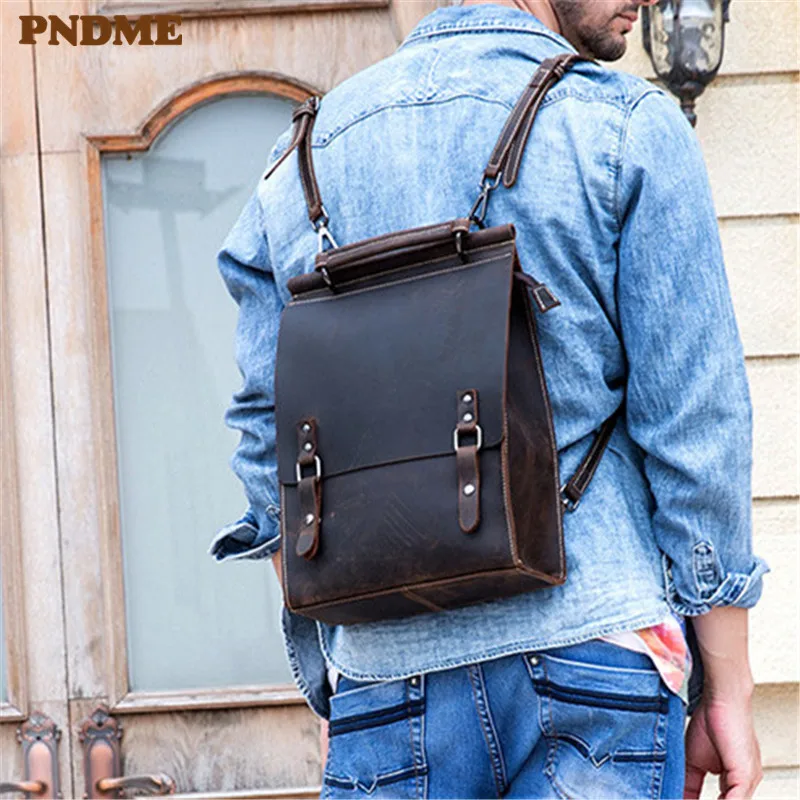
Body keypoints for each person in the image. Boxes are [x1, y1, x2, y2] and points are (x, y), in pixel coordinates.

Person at [208, 0, 769, 796]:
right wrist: (728, 691)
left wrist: (336, 665)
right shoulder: (622, 126)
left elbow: (269, 446)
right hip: (595, 650)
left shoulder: (297, 162)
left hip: (386, 677)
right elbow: (695, 427)